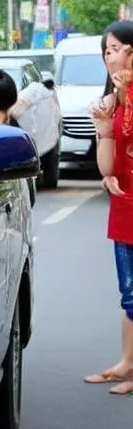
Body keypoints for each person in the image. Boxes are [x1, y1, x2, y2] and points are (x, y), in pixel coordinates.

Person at [85, 20, 133, 395]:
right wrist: (103, 127)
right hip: (124, 206)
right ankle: (127, 364)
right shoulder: (109, 102)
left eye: (118, 48)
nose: (111, 56)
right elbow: (106, 165)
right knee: (129, 293)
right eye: (107, 50)